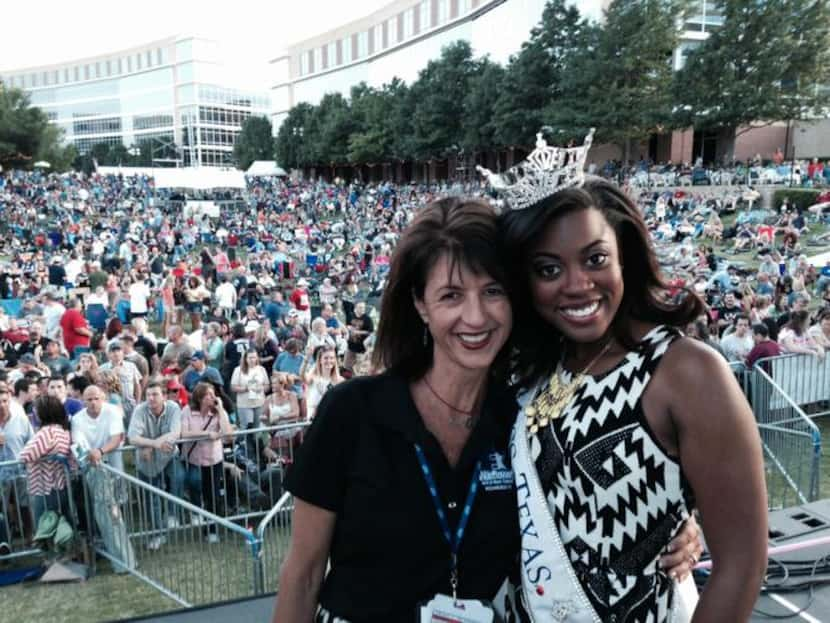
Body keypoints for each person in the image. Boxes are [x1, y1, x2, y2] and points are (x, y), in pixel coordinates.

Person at [273, 198, 699, 621]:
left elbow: (588, 517)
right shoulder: (351, 412)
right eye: (451, 295)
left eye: (493, 291)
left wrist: (676, 530)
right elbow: (304, 575)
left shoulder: (526, 419)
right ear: (421, 304)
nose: (475, 317)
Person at [500, 173, 767, 621]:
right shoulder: (532, 370)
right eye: (548, 269)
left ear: (624, 254)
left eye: (595, 258)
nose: (577, 284)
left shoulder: (684, 371)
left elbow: (742, 564)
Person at [127, 381, 185, 550]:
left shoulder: (173, 408)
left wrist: (152, 444)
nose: (151, 398)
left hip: (168, 456)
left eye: (155, 394)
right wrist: (155, 444)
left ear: (164, 396)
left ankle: (173, 514)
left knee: (179, 477)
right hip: (148, 461)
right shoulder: (140, 410)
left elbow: (176, 432)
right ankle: (158, 533)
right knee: (152, 498)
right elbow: (133, 438)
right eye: (148, 395)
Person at [180, 382, 233, 542]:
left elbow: (228, 435)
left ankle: (211, 530)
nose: (213, 397)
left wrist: (221, 409)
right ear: (200, 398)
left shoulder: (217, 413)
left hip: (213, 460)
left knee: (213, 496)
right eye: (209, 394)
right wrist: (206, 434)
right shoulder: (187, 411)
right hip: (194, 460)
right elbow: (183, 433)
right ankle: (198, 516)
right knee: (196, 489)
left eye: (213, 394)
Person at [19, 395, 76, 524]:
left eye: (36, 410)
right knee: (62, 524)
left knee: (45, 527)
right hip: (60, 484)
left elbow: (24, 456)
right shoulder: (62, 430)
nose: (34, 413)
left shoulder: (46, 433)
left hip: (45, 487)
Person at [230, 350, 269, 429]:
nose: (252, 360)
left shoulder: (261, 369)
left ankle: (257, 441)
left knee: (258, 427)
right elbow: (233, 387)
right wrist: (246, 388)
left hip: (259, 402)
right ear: (245, 359)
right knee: (247, 427)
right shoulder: (238, 370)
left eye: (254, 357)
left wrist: (261, 389)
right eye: (250, 358)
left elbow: (267, 385)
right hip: (244, 404)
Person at [304, 345, 343, 420]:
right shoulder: (313, 377)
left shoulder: (340, 380)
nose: (329, 361)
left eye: (332, 358)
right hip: (313, 418)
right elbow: (302, 376)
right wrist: (306, 359)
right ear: (320, 360)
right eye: (326, 358)